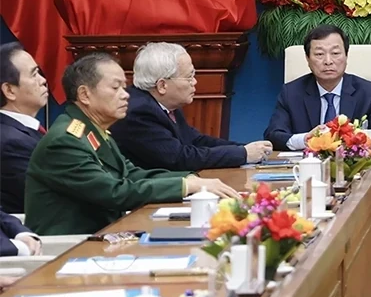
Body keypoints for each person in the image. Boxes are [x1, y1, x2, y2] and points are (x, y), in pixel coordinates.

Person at [24, 52, 238, 235]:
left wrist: (191, 179)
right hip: (70, 248)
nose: (125, 95)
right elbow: (115, 192)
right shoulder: (65, 140)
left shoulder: (94, 130)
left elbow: (132, 174)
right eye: (115, 88)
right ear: (85, 94)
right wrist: (186, 185)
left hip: (104, 236)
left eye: (124, 88)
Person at [109, 43, 272, 171]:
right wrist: (243, 154)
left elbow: (195, 141)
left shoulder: (166, 104)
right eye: (189, 77)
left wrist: (244, 148)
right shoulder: (138, 112)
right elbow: (179, 158)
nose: (195, 82)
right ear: (162, 85)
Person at [265, 25, 371, 151]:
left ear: (346, 56)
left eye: (335, 53)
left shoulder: (369, 92)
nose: (328, 61)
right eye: (319, 54)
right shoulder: (291, 93)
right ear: (308, 59)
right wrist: (306, 139)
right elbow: (273, 135)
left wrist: (351, 138)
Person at [0, 43, 48, 214]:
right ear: (9, 90)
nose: (43, 81)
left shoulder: (22, 132)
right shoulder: (11, 143)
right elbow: (46, 198)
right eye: (34, 74)